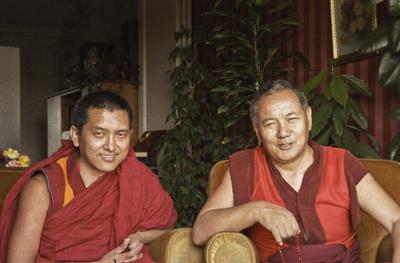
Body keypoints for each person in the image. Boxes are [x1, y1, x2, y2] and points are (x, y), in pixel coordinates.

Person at [192, 80, 400, 262]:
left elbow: (396, 219)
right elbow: (200, 231)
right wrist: (255, 210)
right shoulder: (246, 167)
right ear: (257, 130)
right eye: (271, 124)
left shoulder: (341, 162)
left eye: (292, 119)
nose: (283, 132)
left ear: (308, 118)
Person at [0, 91, 177, 263]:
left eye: (121, 135)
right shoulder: (44, 187)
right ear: (76, 136)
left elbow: (164, 225)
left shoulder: (136, 176)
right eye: (99, 133)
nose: (111, 146)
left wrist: (139, 236)